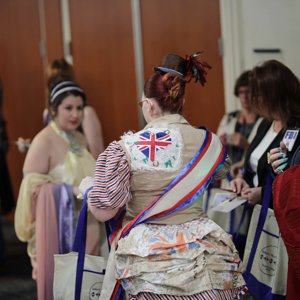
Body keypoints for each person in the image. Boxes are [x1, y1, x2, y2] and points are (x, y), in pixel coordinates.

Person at [79, 53, 247, 299]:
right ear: (182, 99)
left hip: (149, 263)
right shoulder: (209, 143)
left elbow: (105, 210)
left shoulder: (124, 148)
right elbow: (221, 176)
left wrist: (89, 189)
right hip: (204, 255)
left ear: (148, 104)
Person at [14, 80, 101, 300]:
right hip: (59, 229)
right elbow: (30, 188)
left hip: (87, 225)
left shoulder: (80, 138)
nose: (75, 114)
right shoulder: (43, 141)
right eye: (68, 108)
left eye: (79, 108)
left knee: (87, 285)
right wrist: (69, 190)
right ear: (54, 110)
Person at [230, 60, 300, 207]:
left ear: (275, 95)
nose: (254, 100)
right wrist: (242, 180)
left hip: (277, 216)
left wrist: (264, 193)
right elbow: (254, 164)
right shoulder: (266, 123)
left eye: (259, 95)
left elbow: (293, 186)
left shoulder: (296, 128)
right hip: (256, 211)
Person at [17, 58, 104, 159]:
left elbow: (98, 157)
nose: (58, 86)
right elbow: (53, 149)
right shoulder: (47, 113)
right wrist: (33, 148)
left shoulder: (86, 113)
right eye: (53, 81)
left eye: (64, 80)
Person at [217, 70, 262, 179]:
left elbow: (265, 154)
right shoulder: (229, 118)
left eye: (248, 92)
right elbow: (216, 149)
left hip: (252, 178)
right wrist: (221, 143)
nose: (244, 97)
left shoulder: (263, 121)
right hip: (229, 177)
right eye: (241, 92)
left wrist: (246, 145)